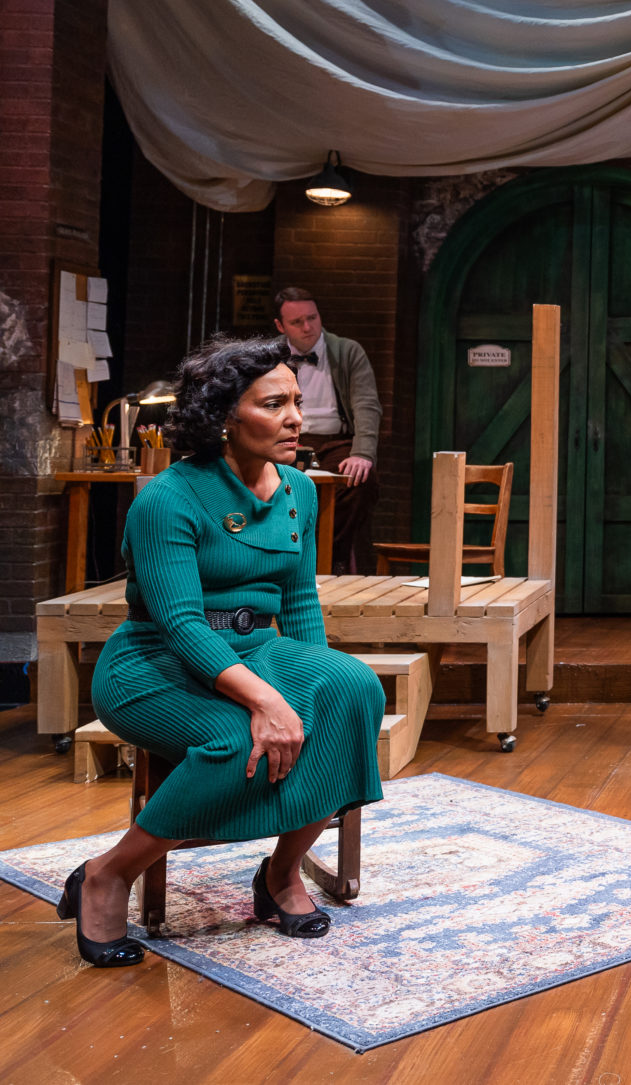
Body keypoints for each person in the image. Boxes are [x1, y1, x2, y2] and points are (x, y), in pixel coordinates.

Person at [57, 336, 385, 967]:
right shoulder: (167, 500)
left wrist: (314, 689)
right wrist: (269, 702)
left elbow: (299, 602)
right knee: (236, 742)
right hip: (154, 663)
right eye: (274, 404)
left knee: (352, 692)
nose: (296, 418)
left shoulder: (298, 490)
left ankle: (281, 873)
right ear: (224, 417)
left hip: (257, 649)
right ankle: (107, 873)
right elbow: (180, 624)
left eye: (296, 401)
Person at [272, 287, 383, 574]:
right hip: (285, 441)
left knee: (361, 480)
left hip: (335, 442)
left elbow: (367, 404)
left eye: (312, 318)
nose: (307, 327)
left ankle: (328, 558)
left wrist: (363, 453)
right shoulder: (269, 355)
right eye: (297, 322)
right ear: (280, 326)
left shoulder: (347, 351)